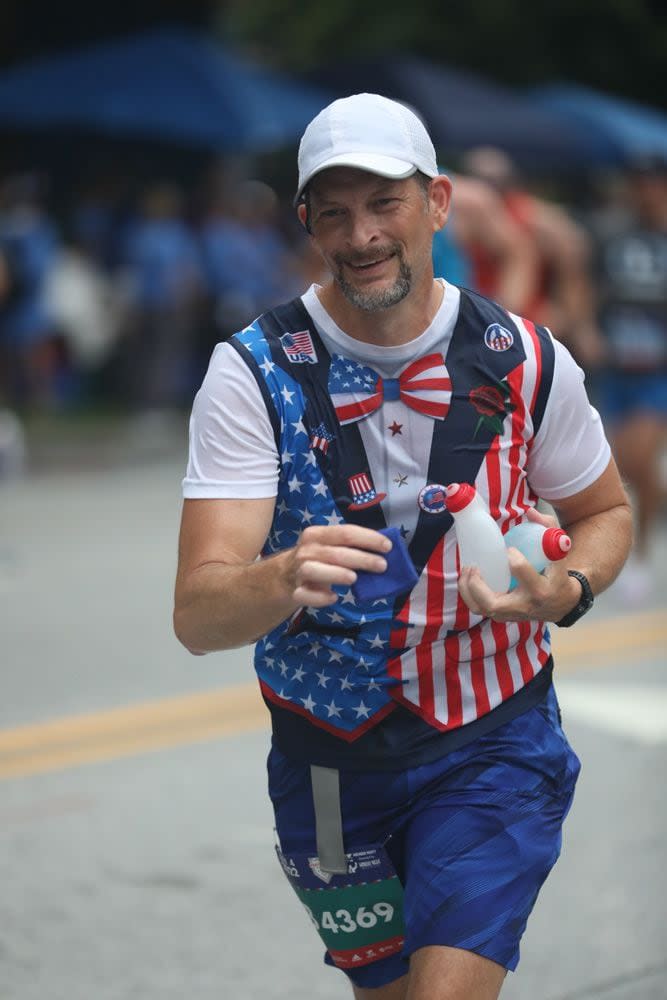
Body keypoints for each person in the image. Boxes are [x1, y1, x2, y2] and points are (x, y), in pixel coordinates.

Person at [173, 94, 632, 1000]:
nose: (362, 233)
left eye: (384, 202)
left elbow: (605, 512)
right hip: (325, 758)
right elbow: (198, 613)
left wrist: (568, 587)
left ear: (437, 204)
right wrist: (279, 574)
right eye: (334, 210)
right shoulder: (252, 372)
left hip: (491, 737)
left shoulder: (524, 359)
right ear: (305, 221)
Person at [591, 153, 667, 603]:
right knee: (620, 465)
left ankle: (640, 554)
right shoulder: (610, 234)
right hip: (616, 363)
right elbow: (587, 287)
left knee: (638, 460)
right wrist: (588, 330)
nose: (642, 190)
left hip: (657, 369)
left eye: (651, 182)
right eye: (636, 182)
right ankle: (655, 509)